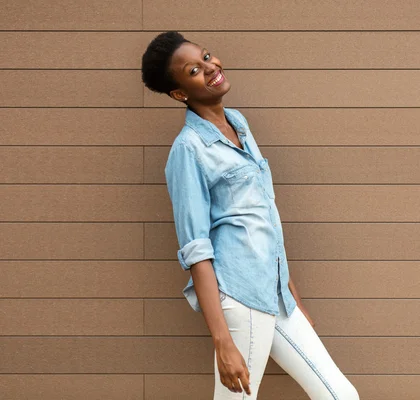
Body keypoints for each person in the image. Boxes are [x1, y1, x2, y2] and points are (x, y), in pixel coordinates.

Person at [141, 31, 360, 400]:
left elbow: (264, 216)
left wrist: (294, 298)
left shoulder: (239, 123)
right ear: (180, 93)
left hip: (276, 295)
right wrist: (222, 340)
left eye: (207, 56)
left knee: (340, 395)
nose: (211, 68)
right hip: (239, 299)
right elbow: (197, 249)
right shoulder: (189, 150)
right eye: (195, 70)